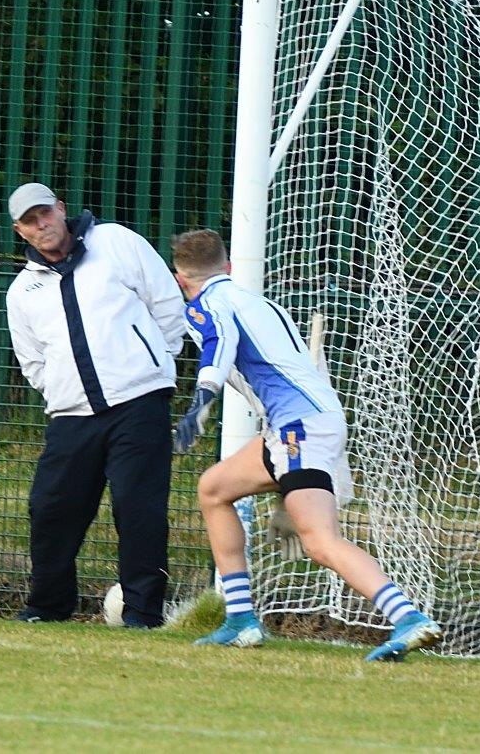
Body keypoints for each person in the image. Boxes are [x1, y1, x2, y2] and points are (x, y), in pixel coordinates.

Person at [169, 229, 441, 659]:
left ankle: (409, 618)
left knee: (319, 540)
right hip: (300, 424)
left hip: (298, 427)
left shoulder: (207, 306)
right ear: (229, 267)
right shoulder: (261, 302)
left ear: (181, 280)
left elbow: (219, 346)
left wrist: (200, 403)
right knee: (214, 489)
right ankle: (240, 620)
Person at [5, 182, 186, 628]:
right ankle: (48, 607)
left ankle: (144, 613)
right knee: (50, 508)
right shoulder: (21, 292)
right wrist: (64, 391)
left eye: (45, 213)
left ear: (61, 210)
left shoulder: (117, 242)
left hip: (139, 401)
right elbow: (33, 361)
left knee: (138, 507)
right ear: (20, 231)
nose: (41, 224)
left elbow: (165, 303)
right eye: (30, 220)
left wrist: (154, 364)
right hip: (71, 416)